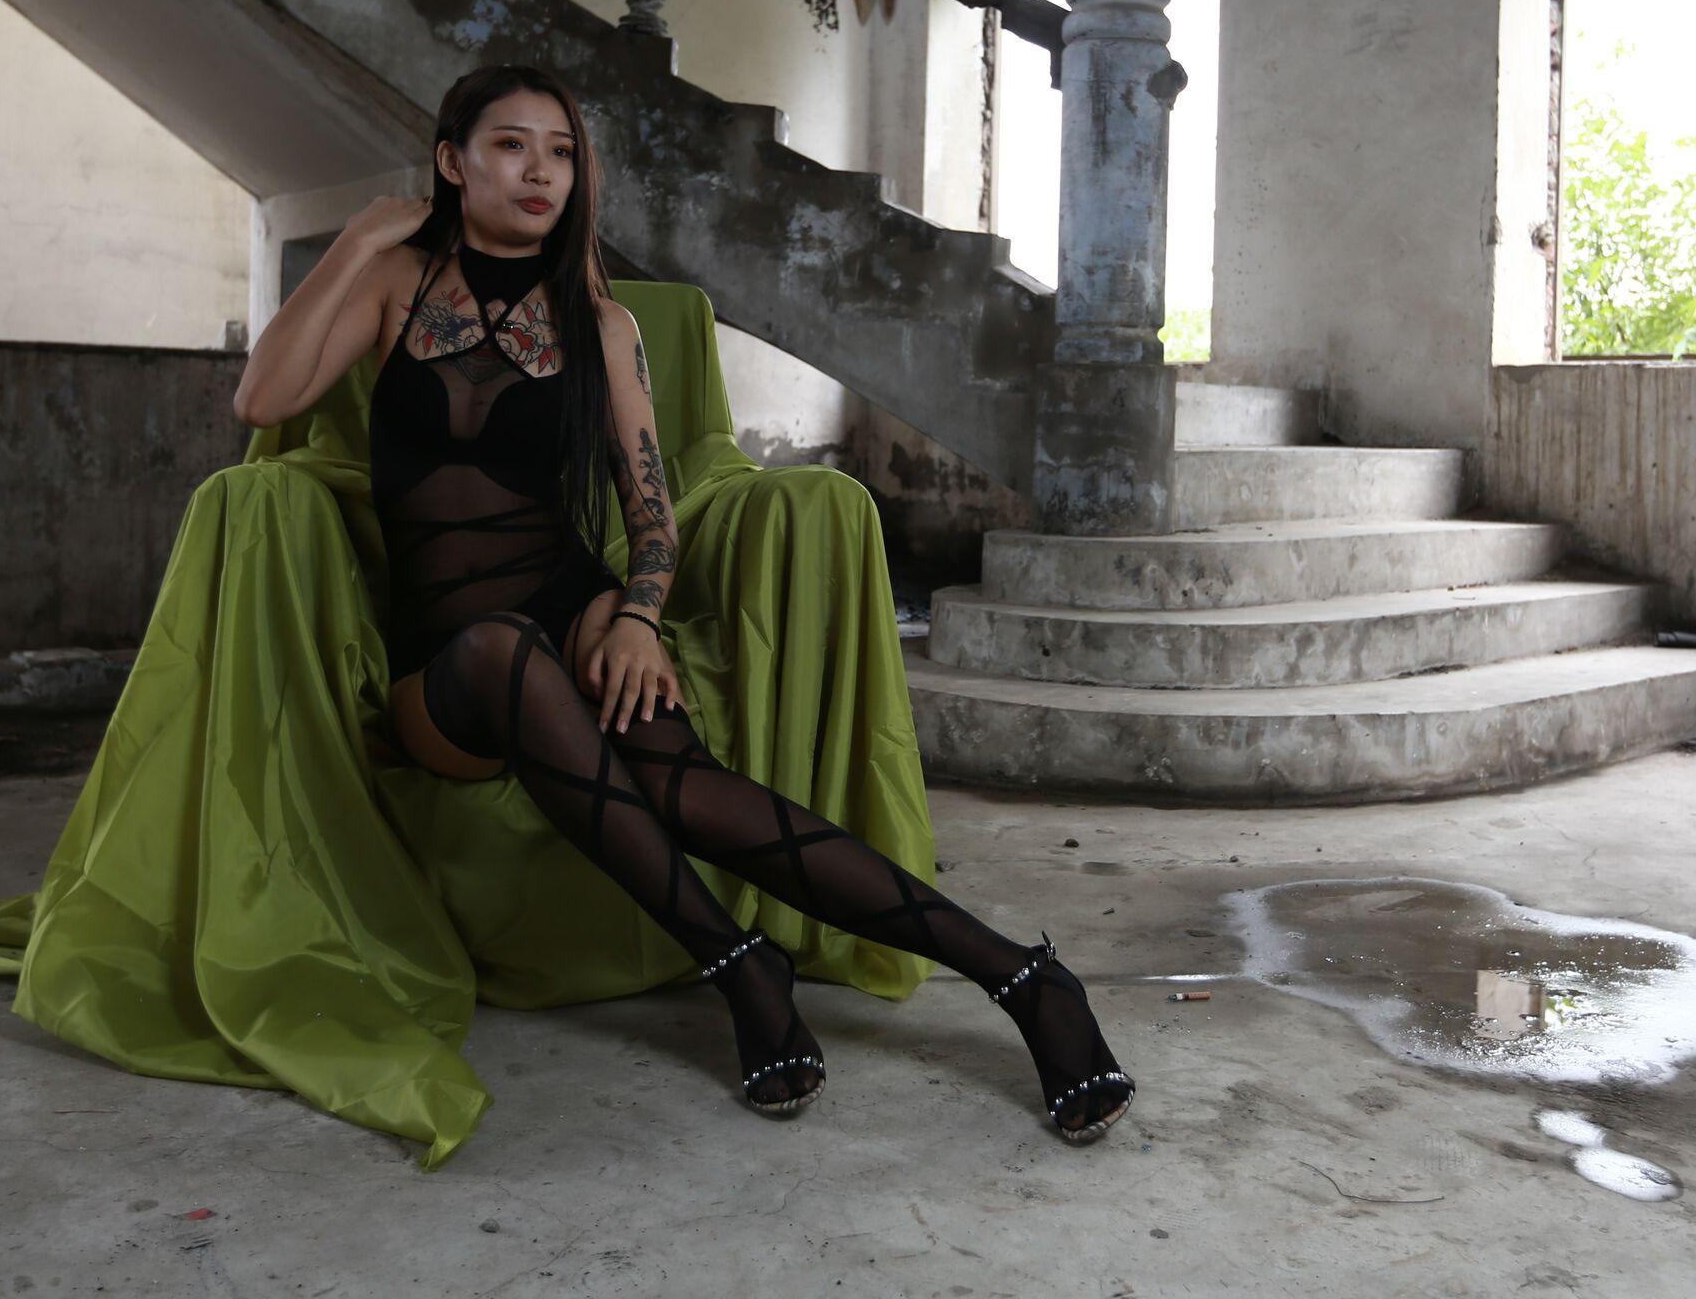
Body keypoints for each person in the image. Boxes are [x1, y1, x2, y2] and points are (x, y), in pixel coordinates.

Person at [229, 64, 1136, 1143]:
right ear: (451, 162)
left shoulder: (600, 324)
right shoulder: (393, 286)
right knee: (503, 653)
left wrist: (636, 618)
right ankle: (738, 959)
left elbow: (651, 517)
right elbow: (263, 396)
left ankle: (1022, 977)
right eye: (511, 145)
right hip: (446, 659)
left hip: (572, 606)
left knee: (683, 782)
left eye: (562, 152)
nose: (541, 171)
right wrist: (356, 240)